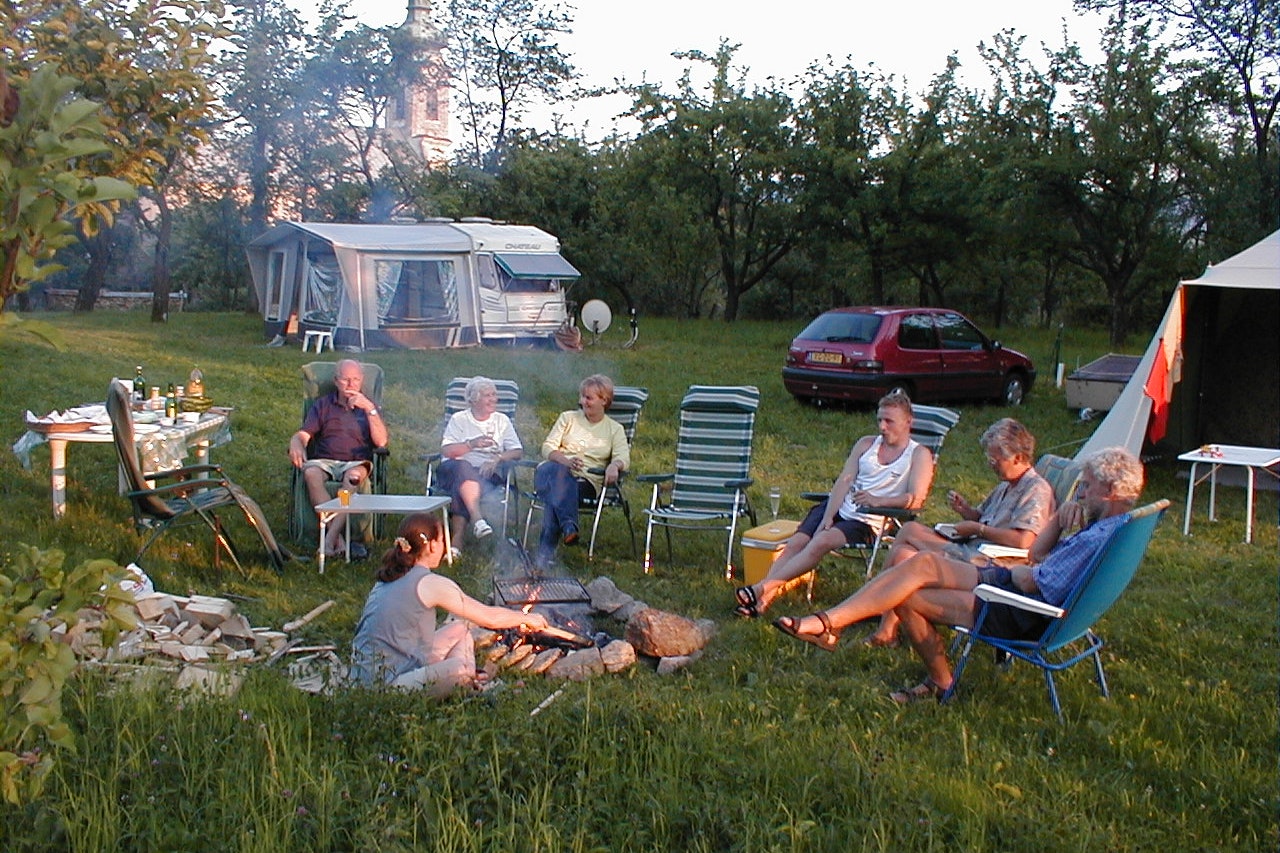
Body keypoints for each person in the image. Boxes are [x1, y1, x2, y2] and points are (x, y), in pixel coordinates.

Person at [771, 447, 1144, 704]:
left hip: (1022, 609)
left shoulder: (1096, 536)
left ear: (1110, 491)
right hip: (1021, 590)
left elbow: (1032, 577)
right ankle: (829, 624)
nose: (1082, 495)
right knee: (920, 566)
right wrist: (1060, 519)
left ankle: (936, 680)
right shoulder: (1117, 527)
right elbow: (1036, 556)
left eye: (1089, 487)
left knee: (910, 587)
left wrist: (1015, 573)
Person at [733, 390, 934, 618]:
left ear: (908, 422)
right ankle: (762, 602)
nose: (882, 427)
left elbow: (916, 499)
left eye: (889, 421)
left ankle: (761, 589)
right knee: (796, 542)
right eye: (879, 420)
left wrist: (879, 501)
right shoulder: (866, 444)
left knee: (821, 542)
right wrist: (829, 515)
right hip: (839, 506)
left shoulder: (918, 454)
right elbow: (843, 482)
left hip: (869, 519)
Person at [862, 418, 1055, 647]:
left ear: (1018, 457)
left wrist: (977, 528)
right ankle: (884, 624)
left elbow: (1024, 541)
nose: (991, 464)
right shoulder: (1006, 485)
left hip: (991, 564)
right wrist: (967, 512)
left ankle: (877, 611)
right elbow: (983, 517)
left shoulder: (1036, 490)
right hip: (973, 548)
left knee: (909, 536)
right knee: (904, 548)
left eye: (995, 459)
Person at [349, 513, 547, 698]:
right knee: (461, 669)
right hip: (385, 685)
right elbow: (490, 617)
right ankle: (467, 679)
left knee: (460, 629)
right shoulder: (430, 583)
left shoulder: (392, 574)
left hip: (372, 669)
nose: (444, 545)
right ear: (433, 545)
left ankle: (464, 679)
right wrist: (527, 618)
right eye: (443, 540)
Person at [288, 359, 389, 559]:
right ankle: (339, 540)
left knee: (351, 480)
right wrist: (295, 442)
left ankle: (329, 538)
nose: (351, 385)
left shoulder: (369, 408)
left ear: (361, 381)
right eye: (345, 380)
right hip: (325, 460)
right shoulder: (323, 405)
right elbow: (304, 435)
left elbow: (381, 442)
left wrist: (369, 408)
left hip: (355, 463)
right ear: (336, 381)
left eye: (356, 380)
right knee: (311, 473)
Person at [533, 374, 629, 568]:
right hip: (551, 472)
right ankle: (568, 524)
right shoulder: (568, 418)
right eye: (582, 396)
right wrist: (565, 461)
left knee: (557, 495)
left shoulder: (614, 429)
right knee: (557, 472)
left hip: (585, 483)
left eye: (588, 398)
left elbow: (623, 457)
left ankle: (544, 557)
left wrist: (613, 466)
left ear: (604, 400)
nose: (582, 401)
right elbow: (548, 447)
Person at [436, 377, 523, 554]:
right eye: (487, 395)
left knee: (462, 486)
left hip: (486, 474)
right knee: (463, 468)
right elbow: (446, 450)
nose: (493, 399)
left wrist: (497, 458)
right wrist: (470, 445)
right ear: (473, 400)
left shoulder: (502, 421)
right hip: (454, 469)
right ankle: (477, 519)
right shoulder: (459, 419)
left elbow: (517, 450)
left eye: (494, 395)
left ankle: (456, 543)